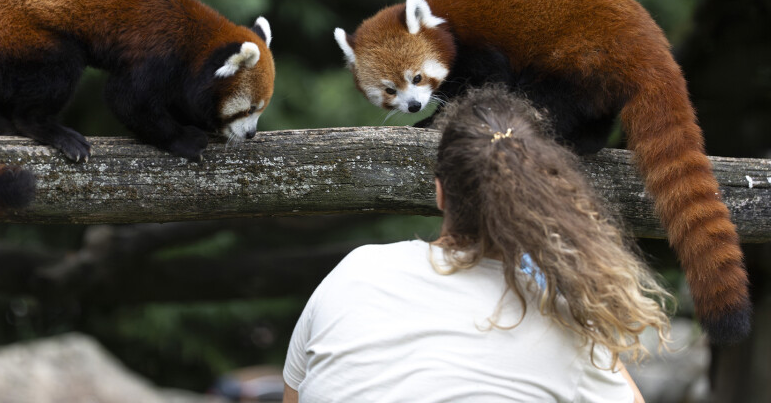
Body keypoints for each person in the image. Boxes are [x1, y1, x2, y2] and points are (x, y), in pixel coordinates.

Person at [283, 85, 672, 402]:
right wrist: (585, 309)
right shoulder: (562, 321)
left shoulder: (355, 271)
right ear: (541, 196)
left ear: (439, 192)